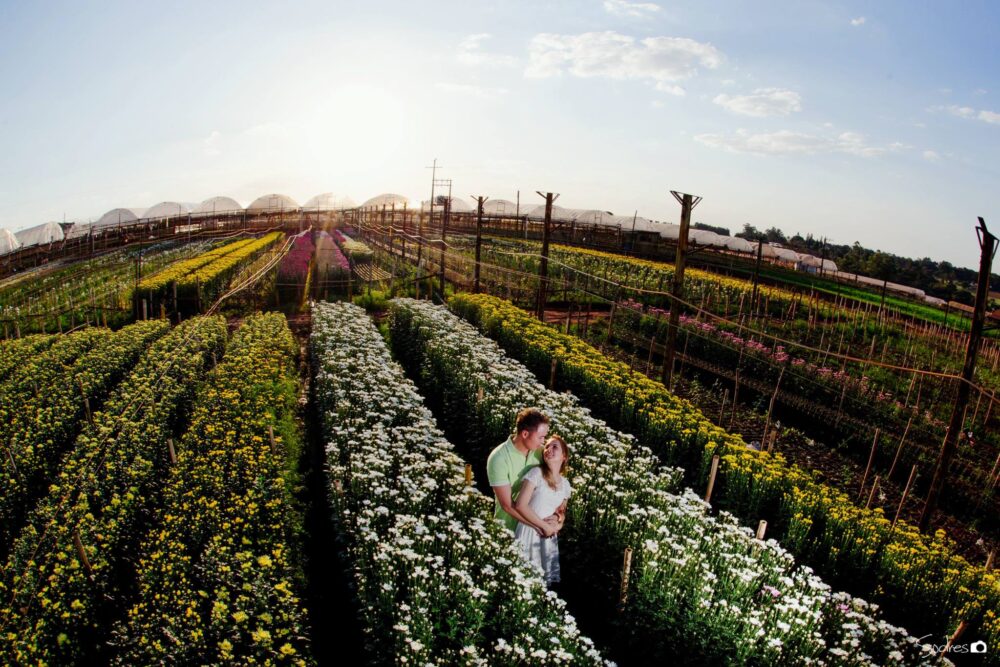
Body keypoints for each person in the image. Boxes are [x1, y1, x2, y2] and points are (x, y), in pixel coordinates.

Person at [514, 436, 572, 585]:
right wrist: (544, 526)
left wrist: (559, 522)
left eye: (554, 447)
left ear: (564, 456)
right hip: (529, 530)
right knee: (523, 579)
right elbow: (520, 505)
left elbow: (561, 511)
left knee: (542, 583)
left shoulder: (565, 484)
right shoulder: (536, 473)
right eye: (547, 446)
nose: (548, 449)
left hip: (548, 536)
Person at [487, 407, 549, 532]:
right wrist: (538, 526)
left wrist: (557, 518)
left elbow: (557, 483)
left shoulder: (541, 452)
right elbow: (507, 506)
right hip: (508, 529)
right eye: (540, 437)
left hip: (538, 526)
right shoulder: (499, 458)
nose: (543, 442)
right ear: (525, 434)